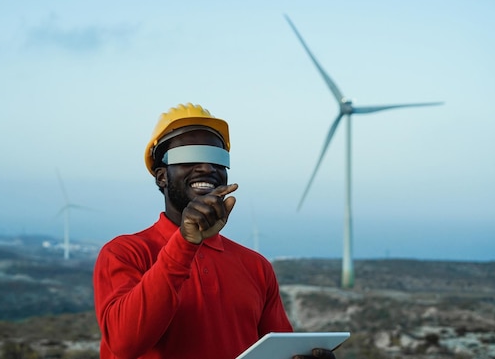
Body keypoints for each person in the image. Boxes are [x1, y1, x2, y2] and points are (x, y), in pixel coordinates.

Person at [93, 103, 335, 359]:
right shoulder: (125, 253)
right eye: (189, 156)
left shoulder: (256, 266)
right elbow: (123, 343)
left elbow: (281, 353)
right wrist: (184, 244)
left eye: (218, 159)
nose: (207, 168)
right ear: (161, 176)